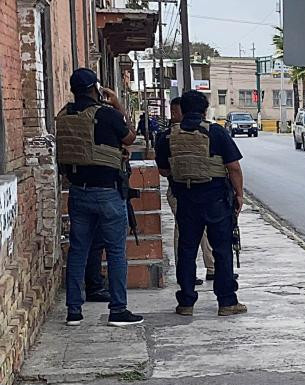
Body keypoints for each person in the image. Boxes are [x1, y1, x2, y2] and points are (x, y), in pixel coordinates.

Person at [57, 68, 144, 326]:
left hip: (77, 192)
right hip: (107, 193)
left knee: (78, 251)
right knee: (116, 252)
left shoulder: (63, 116)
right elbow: (130, 137)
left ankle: (74, 311)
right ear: (96, 88)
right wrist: (117, 104)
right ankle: (118, 310)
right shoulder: (106, 114)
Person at [155, 90, 246, 317]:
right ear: (205, 111)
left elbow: (164, 169)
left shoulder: (167, 136)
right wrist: (239, 195)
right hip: (216, 200)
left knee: (186, 250)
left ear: (181, 111)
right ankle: (226, 302)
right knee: (222, 250)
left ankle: (186, 302)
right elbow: (233, 167)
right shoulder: (216, 132)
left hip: (186, 200)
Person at [157, 97, 215, 285]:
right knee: (183, 232)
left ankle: (211, 267)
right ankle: (187, 273)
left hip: (186, 189)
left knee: (201, 229)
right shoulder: (169, 136)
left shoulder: (168, 136)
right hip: (181, 191)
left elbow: (163, 169)